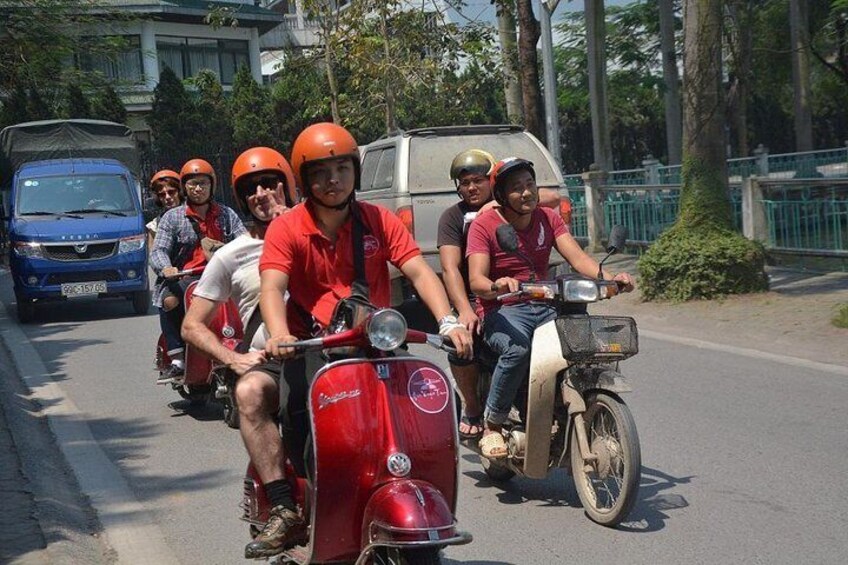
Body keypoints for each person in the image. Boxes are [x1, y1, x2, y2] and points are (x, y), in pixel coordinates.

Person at [255, 122, 473, 557]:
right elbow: (272, 286)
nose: (332, 179)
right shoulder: (287, 229)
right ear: (304, 178)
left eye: (342, 168)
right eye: (320, 171)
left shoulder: (378, 219)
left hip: (376, 342)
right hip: (310, 345)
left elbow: (417, 270)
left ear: (355, 171)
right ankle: (297, 508)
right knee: (297, 412)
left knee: (418, 408)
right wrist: (279, 333)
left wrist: (448, 320)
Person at [466, 157, 634, 460]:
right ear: (502, 195)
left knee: (583, 347)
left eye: (530, 185)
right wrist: (498, 285)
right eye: (516, 188)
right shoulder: (485, 225)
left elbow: (579, 260)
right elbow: (477, 280)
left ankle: (565, 404)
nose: (526, 193)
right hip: (503, 309)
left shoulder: (548, 218)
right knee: (517, 350)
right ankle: (492, 425)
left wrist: (612, 279)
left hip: (545, 302)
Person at [180, 147, 297, 559]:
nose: (262, 194)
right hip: (275, 365)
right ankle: (283, 505)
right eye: (251, 190)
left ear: (290, 184)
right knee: (248, 394)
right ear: (242, 200)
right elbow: (191, 324)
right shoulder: (233, 254)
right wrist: (233, 359)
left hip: (334, 356)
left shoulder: (324, 233)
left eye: (270, 183)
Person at [438, 149, 561, 440]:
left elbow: (551, 198)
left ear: (492, 182)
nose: (471, 188)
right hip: (473, 294)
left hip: (523, 293)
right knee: (459, 342)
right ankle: (472, 405)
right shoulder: (453, 218)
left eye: (478, 180)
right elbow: (450, 269)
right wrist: (464, 311)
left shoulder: (510, 204)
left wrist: (500, 202)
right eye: (464, 182)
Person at [150, 158, 246, 384]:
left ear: (212, 185)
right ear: (185, 187)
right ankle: (177, 358)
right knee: (170, 300)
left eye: (203, 183)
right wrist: (166, 267)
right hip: (186, 279)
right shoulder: (172, 217)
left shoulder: (226, 214)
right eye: (193, 184)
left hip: (223, 276)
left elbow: (243, 241)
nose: (198, 188)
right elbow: (159, 250)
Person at [145, 169, 182, 249]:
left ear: (180, 192)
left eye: (171, 192)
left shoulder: (194, 217)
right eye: (162, 195)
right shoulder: (155, 226)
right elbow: (152, 256)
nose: (167, 197)